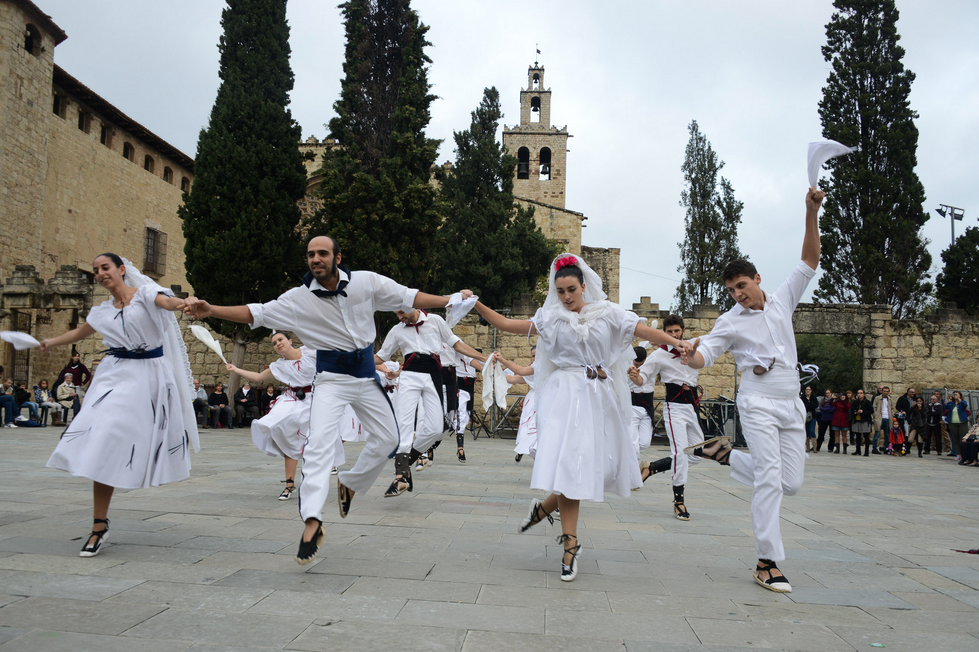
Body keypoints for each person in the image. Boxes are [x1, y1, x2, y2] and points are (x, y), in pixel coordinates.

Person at [182, 235, 472, 565]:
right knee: (318, 447)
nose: (316, 258)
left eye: (322, 253)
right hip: (330, 380)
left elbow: (409, 295)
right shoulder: (298, 299)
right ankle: (312, 523)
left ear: (337, 257)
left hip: (364, 375)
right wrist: (211, 309)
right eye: (310, 254)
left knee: (389, 439)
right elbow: (256, 313)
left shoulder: (366, 283)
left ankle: (350, 482)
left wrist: (449, 298)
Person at [473, 253, 691, 581]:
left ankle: (545, 508)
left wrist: (677, 342)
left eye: (571, 289)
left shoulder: (609, 313)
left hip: (597, 397)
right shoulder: (550, 318)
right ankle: (570, 545)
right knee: (571, 465)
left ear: (583, 285)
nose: (566, 297)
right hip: (564, 396)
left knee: (591, 467)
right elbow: (506, 324)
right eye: (560, 291)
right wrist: (475, 303)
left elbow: (644, 330)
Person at [680, 188, 825, 594]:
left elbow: (809, 260)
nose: (738, 294)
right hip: (757, 401)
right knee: (769, 478)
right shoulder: (729, 321)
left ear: (757, 279)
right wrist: (689, 354)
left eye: (742, 285)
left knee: (790, 483)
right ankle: (767, 562)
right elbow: (705, 354)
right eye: (731, 290)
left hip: (790, 402)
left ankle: (723, 455)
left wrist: (811, 211)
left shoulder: (782, 302)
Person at [39, 253, 198, 557]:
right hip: (113, 373)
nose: (100, 273)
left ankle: (128, 466)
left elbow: (167, 302)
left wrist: (185, 303)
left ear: (122, 270)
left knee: (119, 434)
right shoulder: (101, 312)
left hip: (148, 375)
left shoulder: (146, 294)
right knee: (102, 436)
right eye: (96, 269)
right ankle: (99, 525)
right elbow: (80, 333)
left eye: (105, 267)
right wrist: (52, 342)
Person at [374, 308, 487, 496]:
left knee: (436, 428)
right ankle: (400, 477)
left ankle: (407, 464)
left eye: (401, 312)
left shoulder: (435, 321)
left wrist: (484, 357)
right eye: (396, 314)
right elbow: (381, 355)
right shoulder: (397, 330)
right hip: (410, 375)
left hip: (434, 376)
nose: (400, 317)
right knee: (405, 424)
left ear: (412, 305)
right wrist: (356, 360)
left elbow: (456, 344)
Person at [226, 332, 324, 500]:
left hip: (317, 400)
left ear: (290, 341)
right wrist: (235, 369)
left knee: (314, 445)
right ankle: (289, 485)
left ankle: (313, 484)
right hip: (293, 401)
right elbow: (257, 377)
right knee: (287, 439)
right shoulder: (279, 366)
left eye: (280, 340)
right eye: (274, 342)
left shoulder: (310, 351)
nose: (278, 343)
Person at [635, 314, 705, 521]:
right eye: (669, 332)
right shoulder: (658, 355)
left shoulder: (693, 347)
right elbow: (641, 379)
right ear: (665, 333)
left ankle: (651, 468)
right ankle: (679, 502)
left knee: (696, 455)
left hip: (692, 407)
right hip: (674, 407)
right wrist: (634, 376)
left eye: (677, 331)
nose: (674, 334)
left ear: (683, 331)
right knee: (680, 454)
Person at [493, 348, 537, 462]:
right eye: (533, 356)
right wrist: (494, 372)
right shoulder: (535, 367)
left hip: (547, 401)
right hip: (535, 401)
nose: (534, 358)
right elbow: (515, 379)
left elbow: (521, 372)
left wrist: (503, 360)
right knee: (533, 435)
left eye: (537, 355)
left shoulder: (548, 364)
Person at [627, 346, 655, 463]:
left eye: (640, 364)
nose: (638, 367)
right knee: (633, 441)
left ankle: (625, 447)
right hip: (632, 406)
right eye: (636, 364)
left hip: (647, 406)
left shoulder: (650, 365)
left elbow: (646, 342)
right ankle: (633, 468)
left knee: (644, 443)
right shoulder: (626, 365)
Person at [945, 391, 971, 459]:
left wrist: (959, 400)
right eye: (954, 394)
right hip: (953, 423)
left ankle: (964, 453)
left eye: (956, 394)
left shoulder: (962, 403)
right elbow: (946, 407)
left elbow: (965, 405)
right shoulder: (951, 403)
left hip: (962, 423)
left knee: (962, 439)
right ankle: (958, 454)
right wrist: (947, 399)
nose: (955, 395)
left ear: (960, 395)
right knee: (955, 439)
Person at [871, 386, 895, 455]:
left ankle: (886, 448)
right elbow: (874, 407)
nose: (885, 392)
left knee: (887, 434)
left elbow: (892, 408)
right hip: (880, 417)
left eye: (887, 391)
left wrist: (892, 414)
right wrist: (876, 415)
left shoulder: (890, 399)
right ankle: (874, 448)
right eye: (884, 391)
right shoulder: (877, 398)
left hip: (888, 417)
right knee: (877, 433)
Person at [849, 389, 873, 456]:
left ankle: (866, 451)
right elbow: (852, 409)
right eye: (858, 393)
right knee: (858, 436)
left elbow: (871, 411)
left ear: (864, 394)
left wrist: (863, 412)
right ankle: (858, 450)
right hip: (857, 420)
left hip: (865, 420)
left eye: (861, 393)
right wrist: (855, 412)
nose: (859, 394)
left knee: (866, 436)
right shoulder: (855, 402)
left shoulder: (867, 402)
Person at [800, 386, 819, 453]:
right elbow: (802, 405)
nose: (808, 391)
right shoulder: (802, 398)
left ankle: (814, 448)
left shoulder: (813, 398)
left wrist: (808, 404)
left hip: (812, 416)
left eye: (809, 390)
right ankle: (807, 447)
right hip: (805, 416)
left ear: (811, 390)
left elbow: (815, 405)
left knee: (812, 431)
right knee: (806, 432)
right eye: (807, 390)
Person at [816, 389, 834, 453]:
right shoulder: (823, 400)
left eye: (829, 393)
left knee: (832, 434)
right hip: (824, 418)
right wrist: (828, 409)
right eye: (826, 393)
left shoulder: (834, 400)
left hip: (831, 418)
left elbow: (833, 409)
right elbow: (821, 408)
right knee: (821, 433)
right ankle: (817, 447)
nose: (827, 394)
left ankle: (830, 448)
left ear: (831, 393)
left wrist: (826, 409)